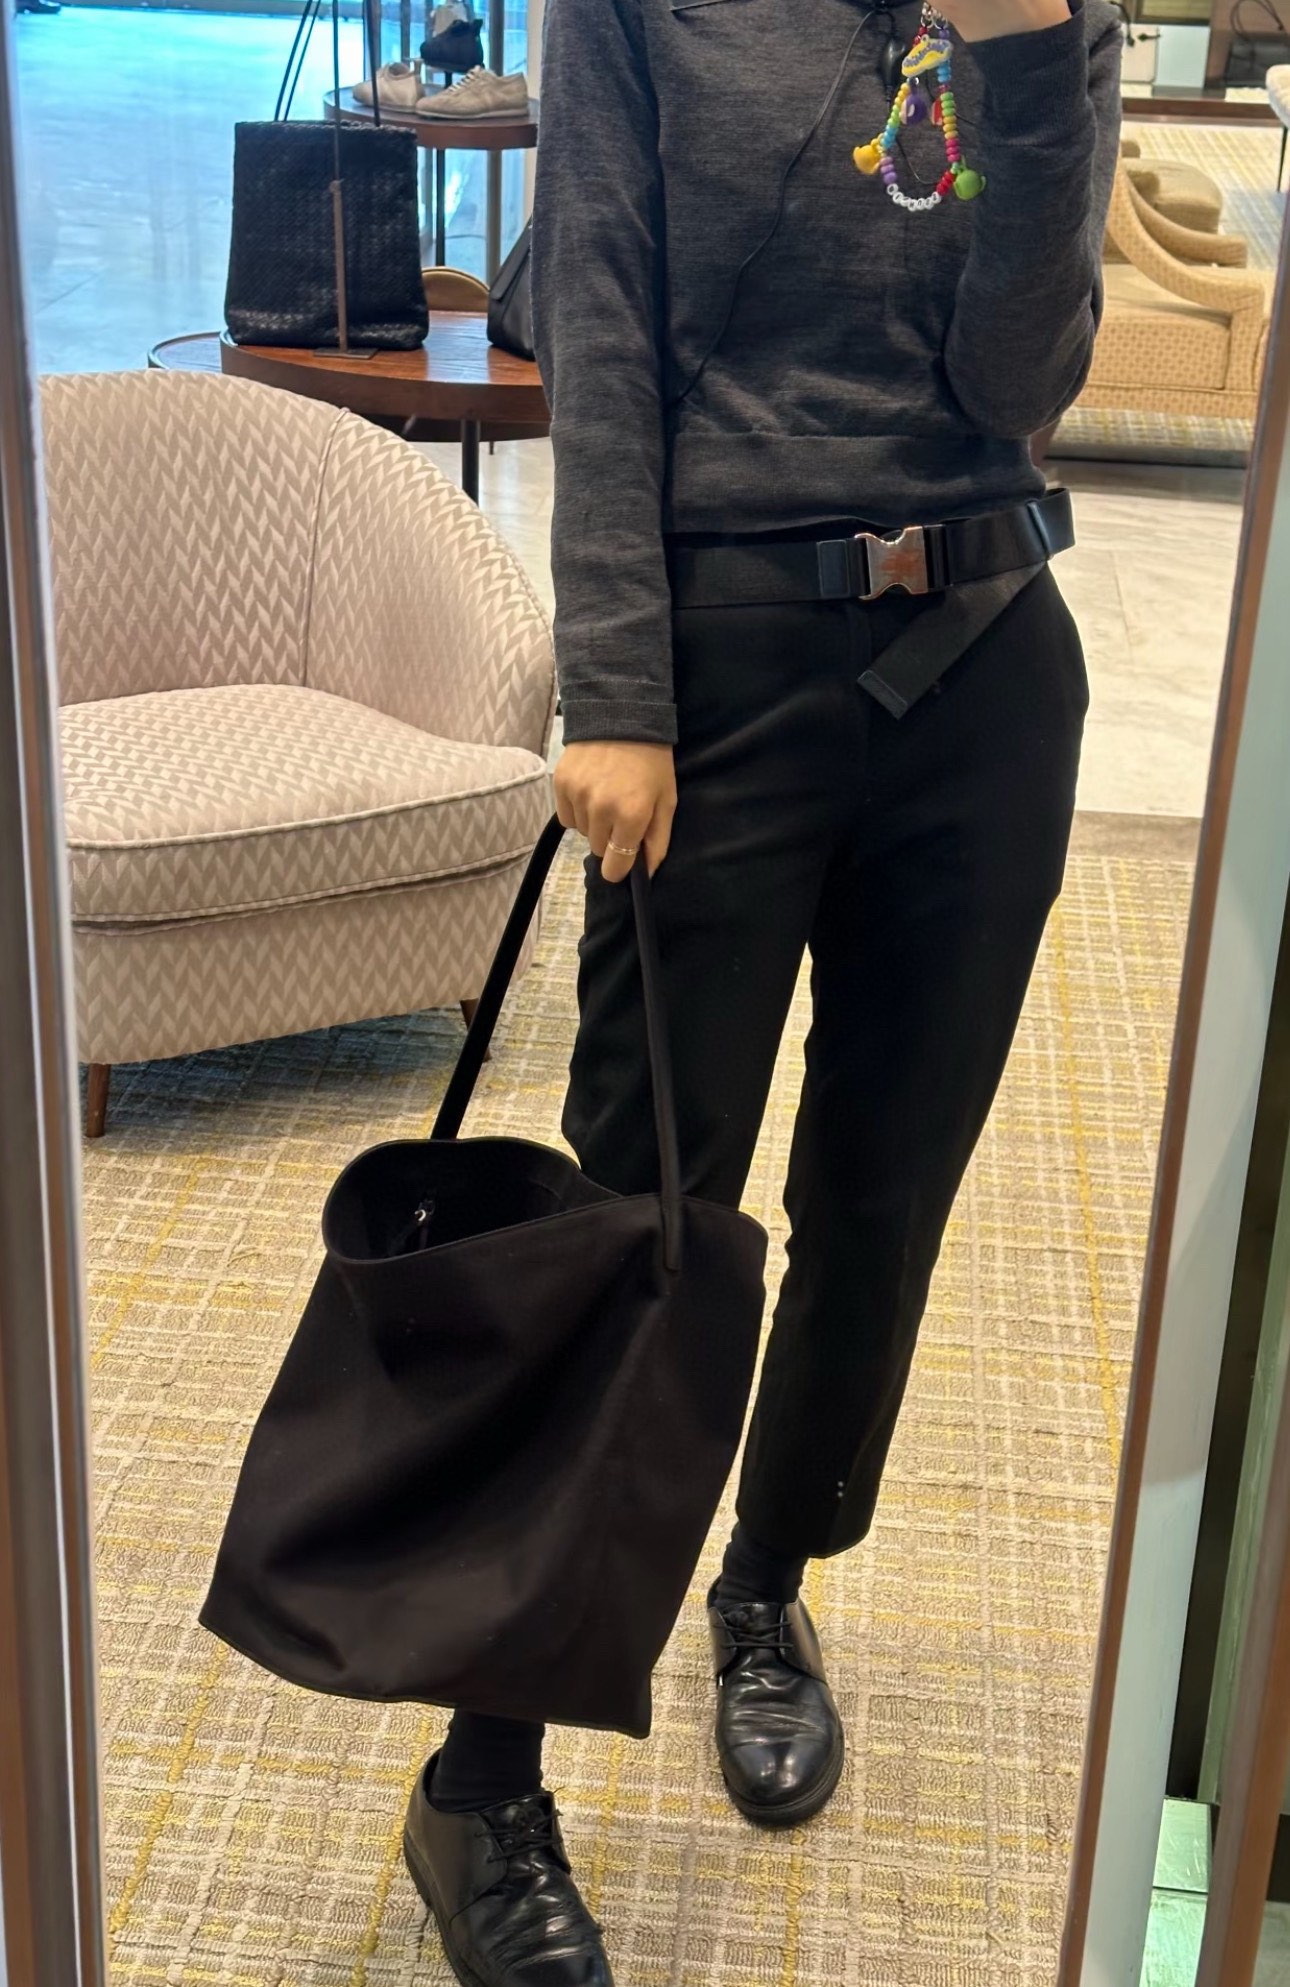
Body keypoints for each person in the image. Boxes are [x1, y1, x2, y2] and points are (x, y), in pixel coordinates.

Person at [399, 0, 1121, 1979]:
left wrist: (1027, 59)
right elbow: (599, 322)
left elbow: (1026, 373)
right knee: (643, 1223)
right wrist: (617, 688)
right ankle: (482, 1772)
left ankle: (768, 1578)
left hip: (986, 664)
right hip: (713, 677)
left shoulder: (1041, 12)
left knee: (882, 1204)